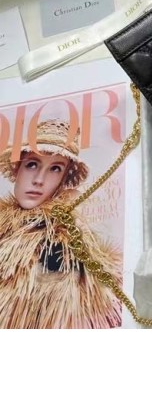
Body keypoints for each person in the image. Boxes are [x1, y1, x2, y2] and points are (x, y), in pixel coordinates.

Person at [0, 119, 122, 329]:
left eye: (55, 169)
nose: (39, 179)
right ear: (18, 169)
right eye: (32, 164)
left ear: (63, 180)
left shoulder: (60, 245)